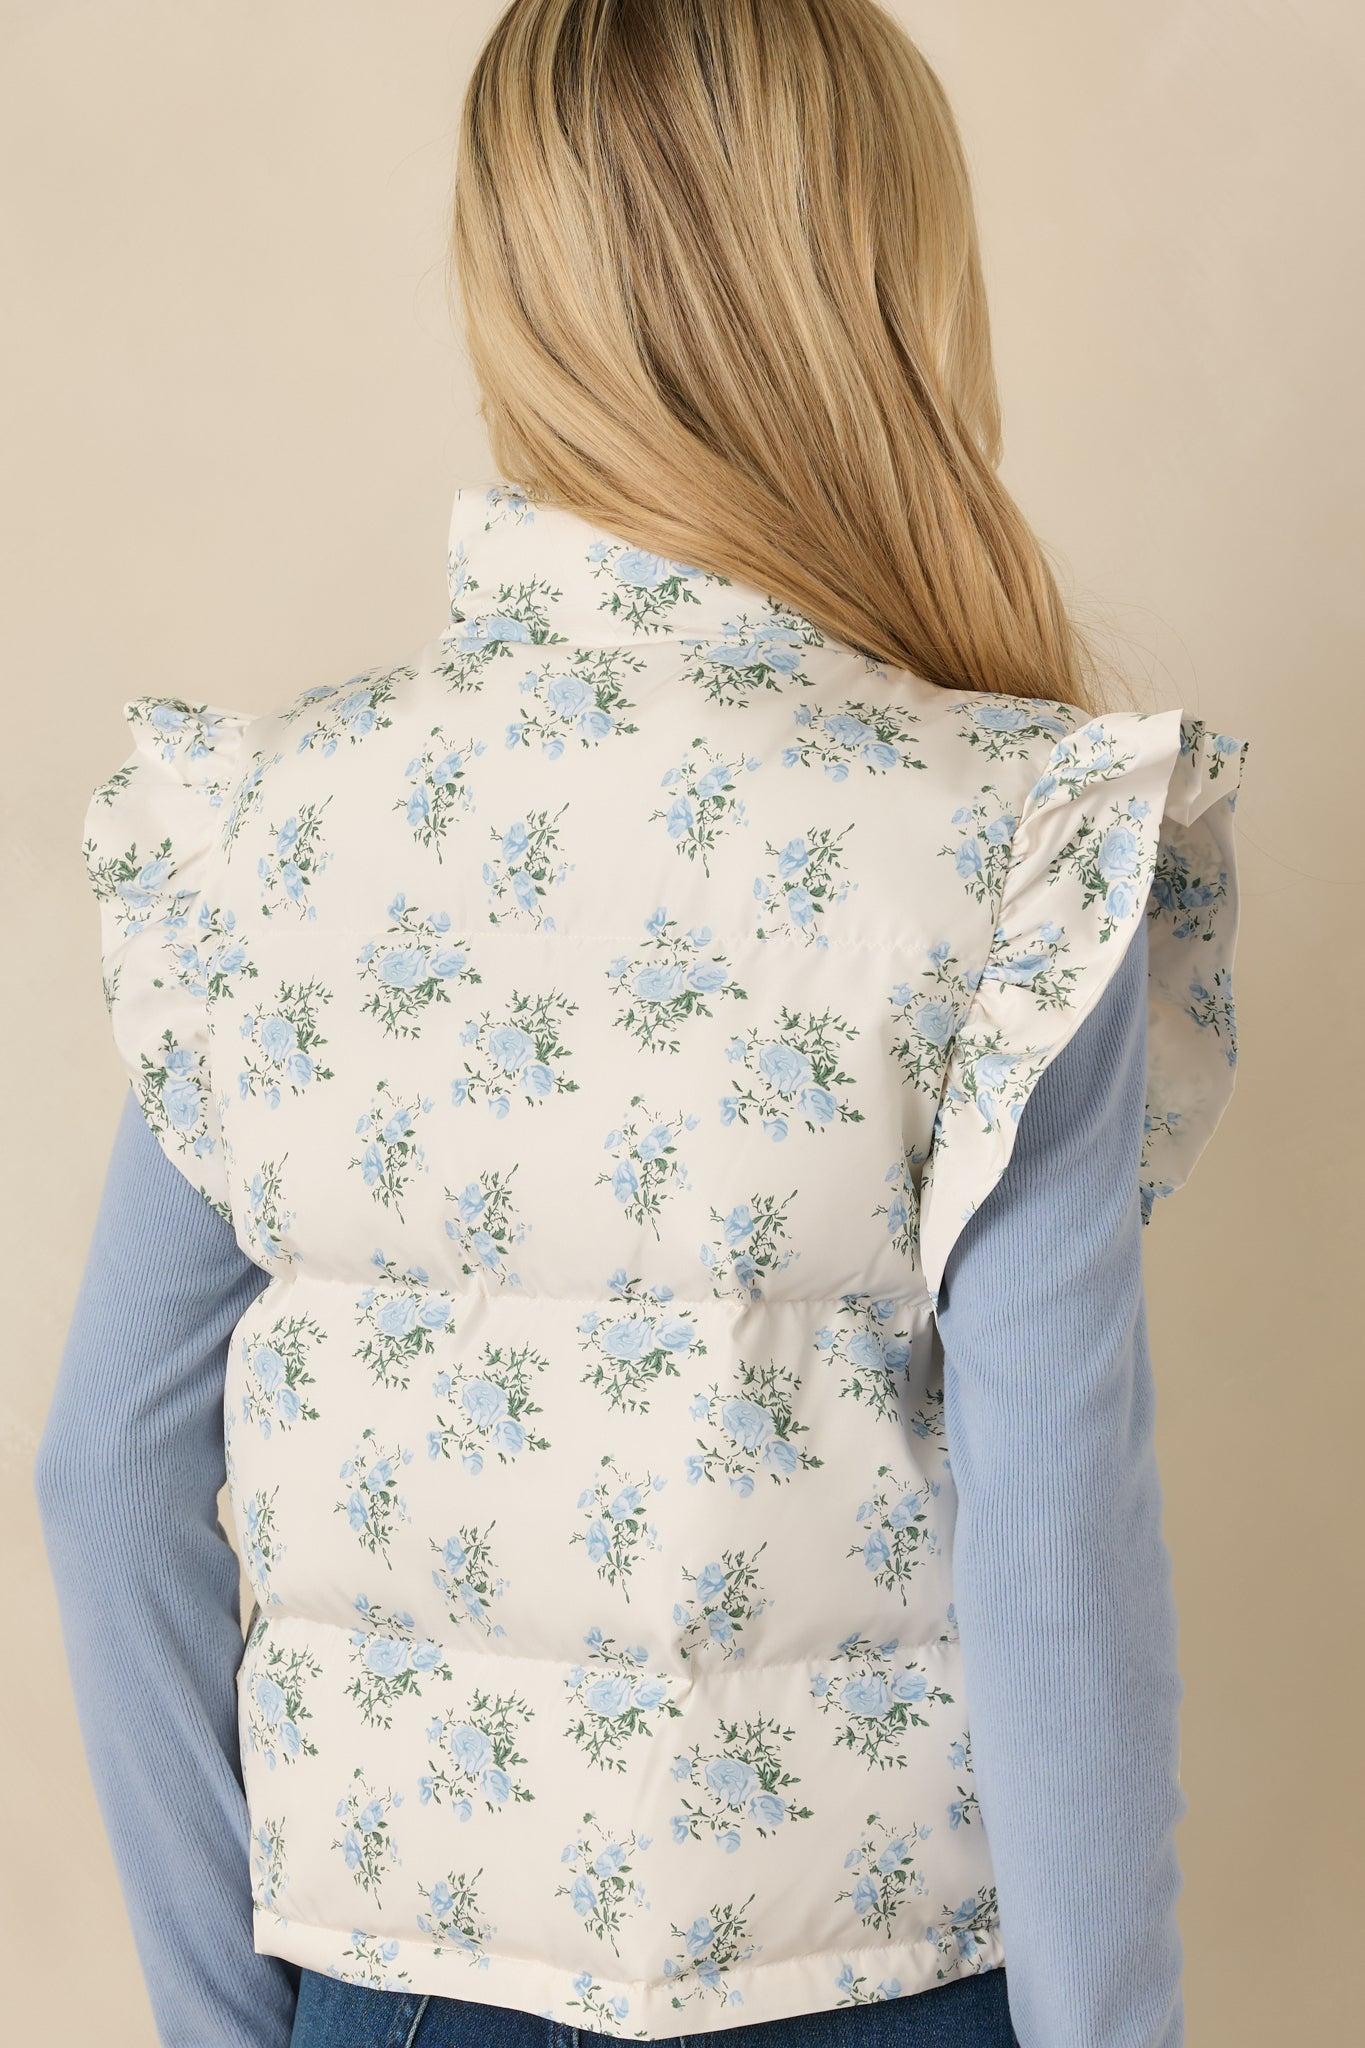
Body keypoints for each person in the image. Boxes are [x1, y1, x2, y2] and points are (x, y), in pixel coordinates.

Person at [36, 4, 1250, 2045]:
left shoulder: (269, 833)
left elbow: (108, 1469)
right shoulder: (1004, 843)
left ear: (512, 295)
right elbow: (1052, 1554)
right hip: (877, 1997)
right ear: (886, 287)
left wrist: (236, 2023)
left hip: (391, 2003)